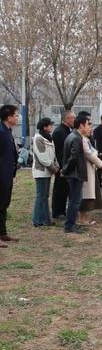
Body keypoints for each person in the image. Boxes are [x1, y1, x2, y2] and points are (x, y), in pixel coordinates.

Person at [61, 112, 90, 233]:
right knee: (74, 201)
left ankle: (70, 223)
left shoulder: (72, 136)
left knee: (74, 200)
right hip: (75, 174)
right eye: (88, 125)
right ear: (81, 126)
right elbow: (73, 158)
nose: (89, 127)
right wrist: (65, 170)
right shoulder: (76, 138)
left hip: (74, 173)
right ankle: (70, 225)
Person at [31, 118, 59, 227]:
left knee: (45, 196)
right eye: (50, 125)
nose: (51, 127)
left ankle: (46, 219)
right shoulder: (38, 139)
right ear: (45, 127)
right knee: (41, 196)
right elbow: (43, 157)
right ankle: (37, 220)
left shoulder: (48, 138)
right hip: (41, 171)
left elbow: (53, 155)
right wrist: (53, 168)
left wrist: (56, 166)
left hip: (47, 171)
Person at [79, 120, 102, 226]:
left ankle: (86, 217)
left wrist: (94, 154)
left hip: (91, 168)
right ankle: (82, 219)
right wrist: (101, 164)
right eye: (88, 126)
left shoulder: (87, 139)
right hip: (86, 169)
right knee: (85, 195)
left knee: (90, 195)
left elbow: (93, 151)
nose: (90, 129)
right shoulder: (82, 140)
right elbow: (89, 153)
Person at [0, 105, 19, 246]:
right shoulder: (1, 132)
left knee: (4, 204)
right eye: (16, 115)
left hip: (7, 174)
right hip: (1, 174)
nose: (18, 117)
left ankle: (2, 233)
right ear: (8, 117)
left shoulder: (7, 131)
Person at [52, 110, 75, 219]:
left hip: (66, 165)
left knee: (65, 189)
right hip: (62, 166)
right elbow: (59, 152)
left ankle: (62, 210)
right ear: (66, 119)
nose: (74, 120)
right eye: (72, 118)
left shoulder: (68, 131)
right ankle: (57, 211)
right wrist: (63, 167)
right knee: (59, 189)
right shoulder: (59, 132)